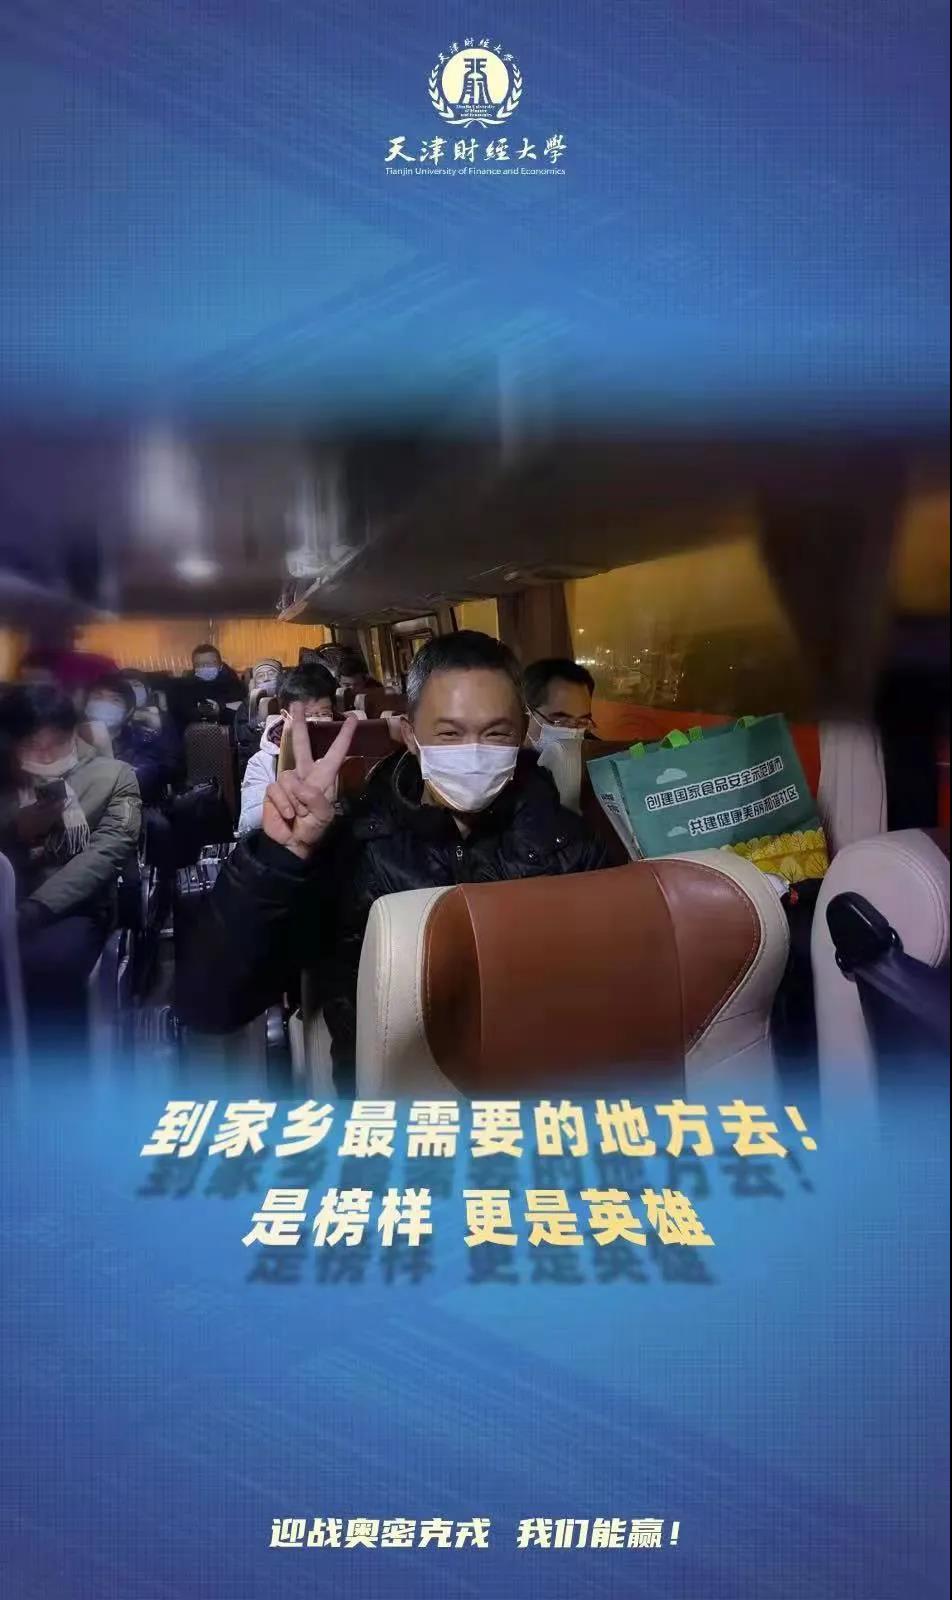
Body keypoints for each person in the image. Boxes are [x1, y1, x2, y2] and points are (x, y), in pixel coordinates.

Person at [177, 630, 611, 1088]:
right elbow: (210, 1003)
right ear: (410, 735)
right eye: (449, 733)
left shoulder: (568, 844)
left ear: (521, 735)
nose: (473, 752)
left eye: (496, 733)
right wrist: (281, 858)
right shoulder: (354, 846)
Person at [0, 684, 141, 1049]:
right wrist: (15, 832)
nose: (46, 755)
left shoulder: (113, 776)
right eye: (34, 745)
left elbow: (105, 854)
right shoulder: (7, 782)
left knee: (45, 966)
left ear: (74, 733)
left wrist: (34, 911)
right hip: (9, 896)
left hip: (72, 906)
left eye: (57, 743)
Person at [237, 663, 336, 837]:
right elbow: (247, 824)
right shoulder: (264, 760)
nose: (315, 722)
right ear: (285, 716)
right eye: (305, 715)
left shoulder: (350, 746)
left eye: (323, 714)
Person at [83, 674, 176, 805]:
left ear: (129, 711)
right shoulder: (68, 740)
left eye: (115, 700)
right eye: (97, 697)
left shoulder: (144, 741)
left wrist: (104, 750)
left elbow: (140, 785)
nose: (104, 704)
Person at [523, 658, 597, 751]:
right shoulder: (508, 757)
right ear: (526, 715)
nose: (573, 732)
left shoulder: (596, 754)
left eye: (582, 722)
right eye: (561, 722)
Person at [169, 644, 244, 729]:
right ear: (194, 667)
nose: (205, 667)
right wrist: (199, 712)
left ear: (220, 665)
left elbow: (241, 715)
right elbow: (179, 716)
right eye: (199, 665)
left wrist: (220, 710)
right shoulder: (184, 688)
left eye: (209, 664)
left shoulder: (235, 686)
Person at [233, 658, 284, 774]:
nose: (266, 678)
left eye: (271, 674)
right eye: (261, 676)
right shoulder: (245, 707)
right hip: (256, 756)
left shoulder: (290, 701)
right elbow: (243, 738)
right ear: (254, 683)